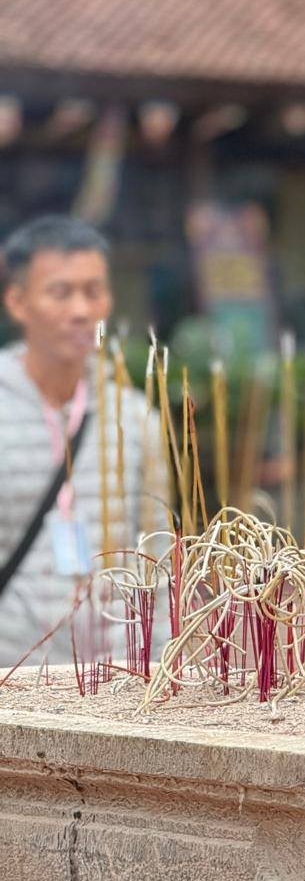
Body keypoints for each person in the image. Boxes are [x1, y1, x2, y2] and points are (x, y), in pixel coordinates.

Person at [0, 216, 164, 666]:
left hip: (115, 675)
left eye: (94, 292)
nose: (81, 310)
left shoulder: (135, 419)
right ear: (17, 301)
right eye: (60, 292)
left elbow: (159, 559)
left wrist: (158, 659)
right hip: (13, 674)